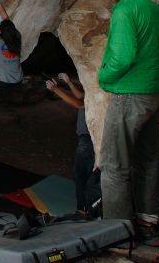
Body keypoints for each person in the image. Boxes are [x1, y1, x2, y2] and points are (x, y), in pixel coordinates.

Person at [98, 0, 159, 247]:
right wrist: (151, 74)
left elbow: (123, 56)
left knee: (114, 166)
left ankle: (117, 234)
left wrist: (104, 78)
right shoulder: (156, 10)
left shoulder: (124, 10)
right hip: (154, 94)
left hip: (128, 96)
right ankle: (148, 224)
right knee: (146, 162)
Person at [46, 73, 100, 216]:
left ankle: (84, 210)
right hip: (89, 140)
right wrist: (69, 82)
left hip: (88, 141)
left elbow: (78, 104)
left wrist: (56, 89)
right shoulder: (94, 93)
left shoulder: (97, 96)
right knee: (87, 175)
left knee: (82, 175)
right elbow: (81, 96)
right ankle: (89, 208)